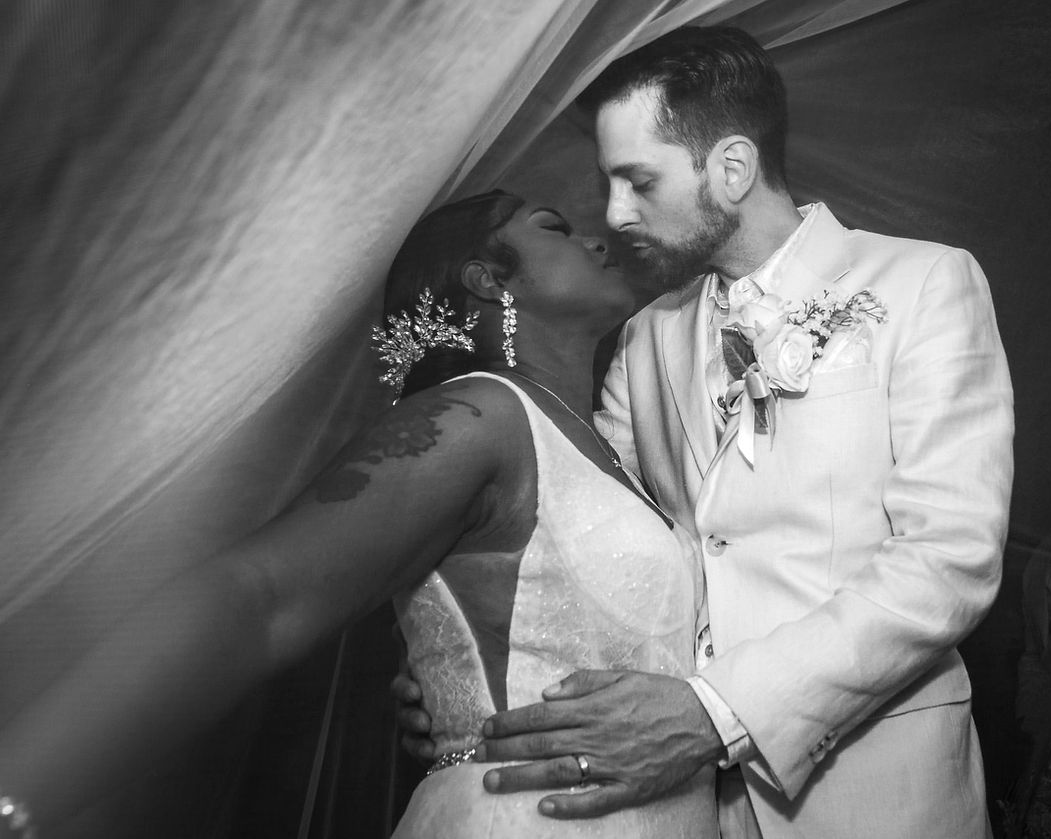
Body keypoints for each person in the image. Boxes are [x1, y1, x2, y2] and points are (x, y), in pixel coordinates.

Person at [397, 25, 1015, 838]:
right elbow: (590, 540)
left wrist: (715, 711)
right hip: (678, 803)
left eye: (637, 180)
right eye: (607, 183)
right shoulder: (646, 336)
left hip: (875, 790)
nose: (614, 214)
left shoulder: (923, 282)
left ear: (731, 168)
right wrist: (472, 666)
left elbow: (949, 557)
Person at [0, 191, 719, 839]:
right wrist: (22, 793)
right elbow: (261, 597)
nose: (595, 238)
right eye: (554, 227)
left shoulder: (609, 442)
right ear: (488, 279)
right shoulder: (475, 417)